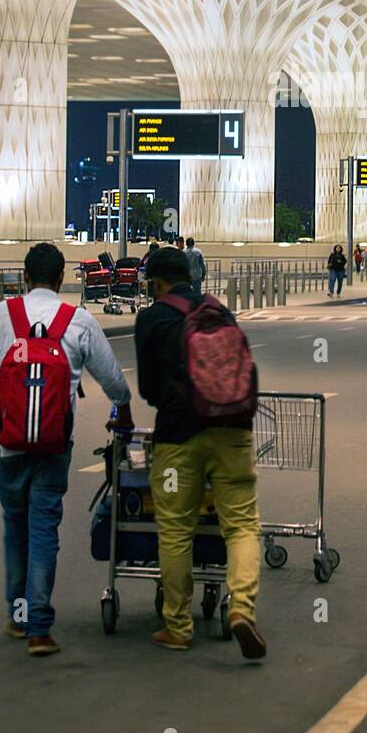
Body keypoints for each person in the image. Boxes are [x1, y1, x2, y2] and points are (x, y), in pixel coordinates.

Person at [0, 243, 134, 656]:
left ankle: (18, 615)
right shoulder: (78, 320)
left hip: (8, 444)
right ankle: (39, 630)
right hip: (54, 444)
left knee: (15, 524)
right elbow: (114, 381)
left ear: (25, 277)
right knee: (43, 527)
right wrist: (124, 409)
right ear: (62, 277)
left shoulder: (2, 314)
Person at [136, 247, 265, 658]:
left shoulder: (153, 318)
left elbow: (148, 390)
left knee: (175, 530)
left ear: (157, 282)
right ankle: (241, 609)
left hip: (179, 438)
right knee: (242, 526)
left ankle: (178, 626)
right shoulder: (219, 311)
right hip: (233, 431)